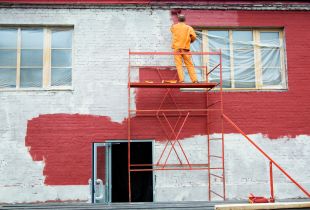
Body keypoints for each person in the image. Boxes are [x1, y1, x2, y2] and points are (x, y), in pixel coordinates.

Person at [170, 14, 198, 83]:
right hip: (186, 49)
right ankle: (194, 80)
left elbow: (171, 30)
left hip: (177, 49)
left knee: (179, 65)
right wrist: (190, 41)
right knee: (189, 65)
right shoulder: (189, 28)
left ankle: (182, 80)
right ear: (185, 20)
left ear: (178, 20)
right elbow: (194, 37)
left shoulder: (174, 27)